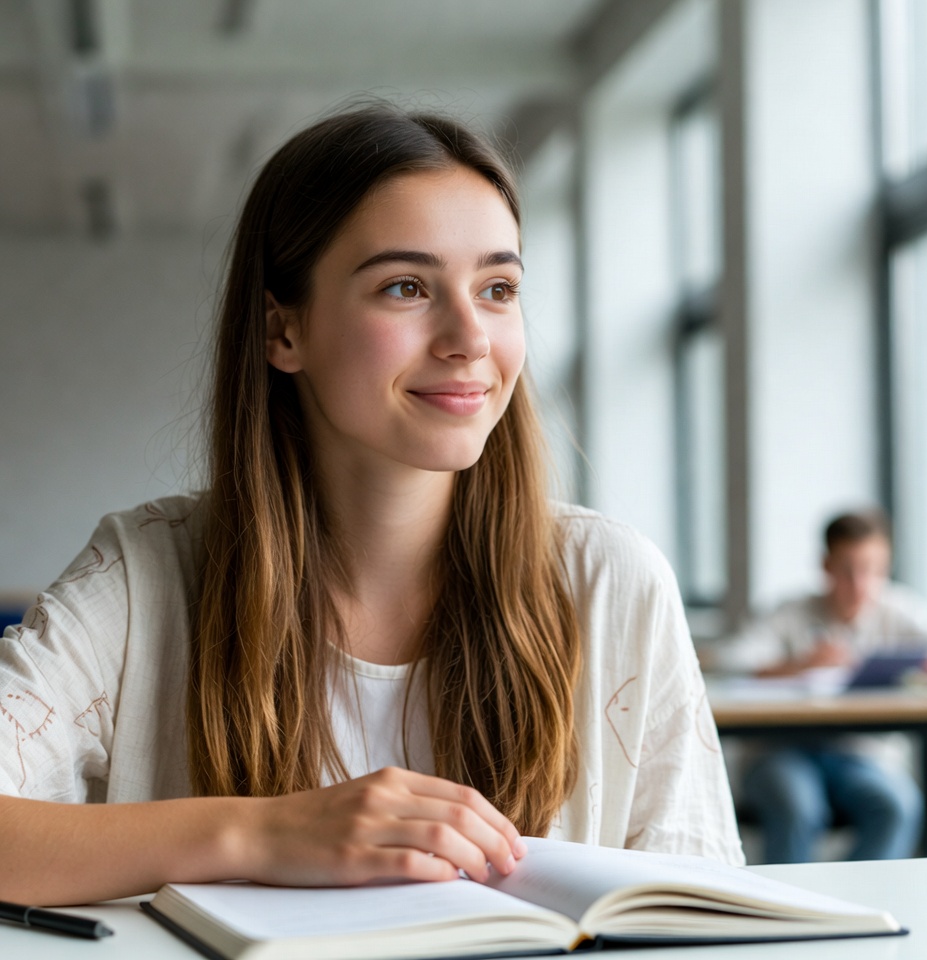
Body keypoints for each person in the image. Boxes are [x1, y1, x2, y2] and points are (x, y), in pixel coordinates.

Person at [0, 103, 742, 906]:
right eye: (406, 287)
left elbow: (698, 908)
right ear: (285, 331)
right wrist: (261, 834)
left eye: (498, 288)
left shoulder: (611, 580)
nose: (470, 338)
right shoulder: (146, 573)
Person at [718, 509, 927, 864]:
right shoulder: (791, 612)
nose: (860, 583)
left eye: (872, 570)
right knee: (798, 808)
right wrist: (800, 664)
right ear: (826, 565)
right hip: (781, 752)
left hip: (860, 754)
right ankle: (789, 913)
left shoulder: (898, 610)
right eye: (848, 570)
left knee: (897, 806)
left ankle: (861, 907)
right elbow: (732, 662)